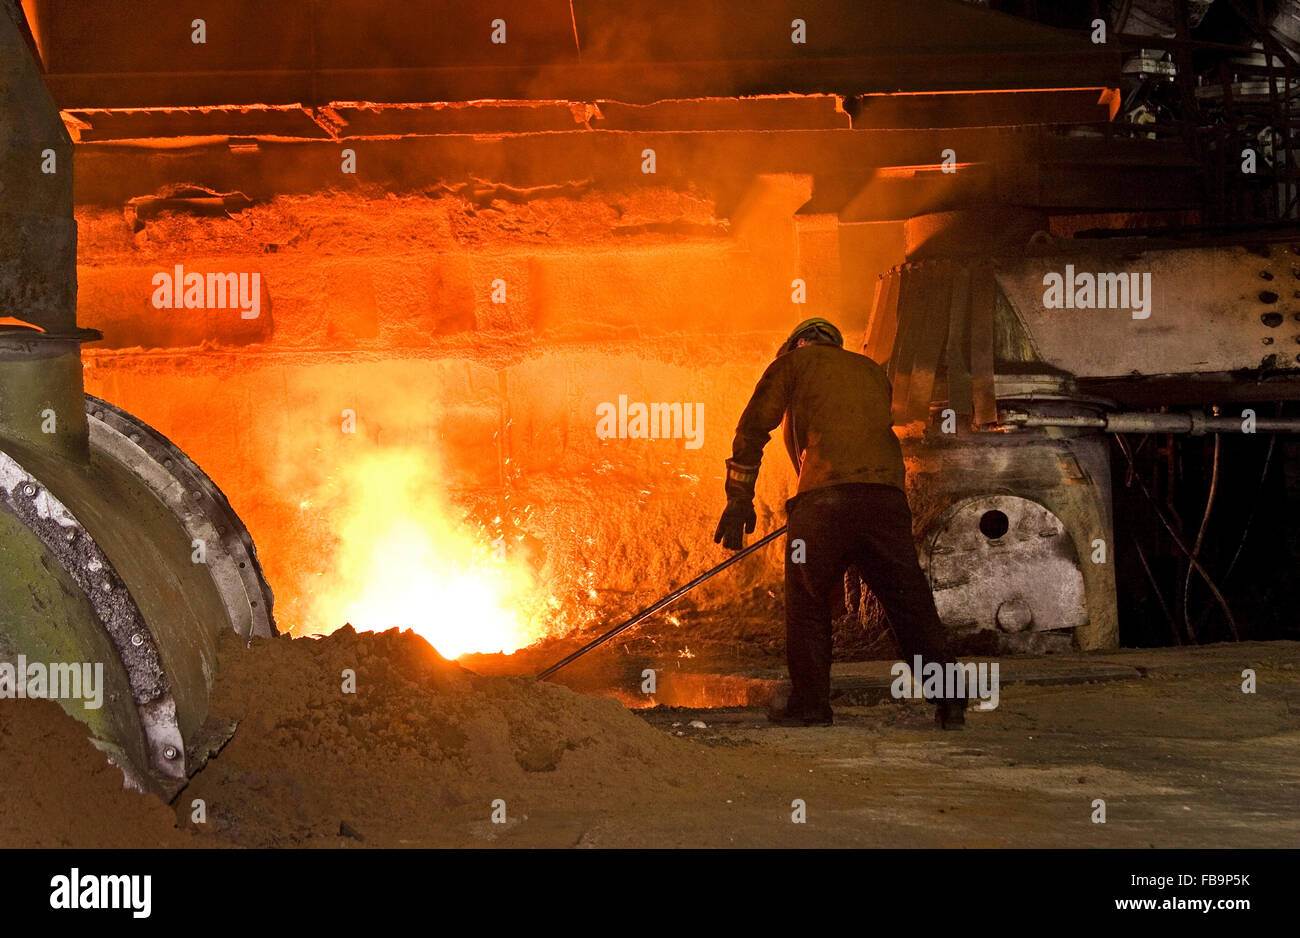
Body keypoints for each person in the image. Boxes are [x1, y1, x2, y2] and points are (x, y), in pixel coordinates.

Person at [714, 317, 967, 728]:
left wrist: (739, 499)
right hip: (886, 500)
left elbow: (752, 428)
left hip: (825, 501)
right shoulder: (870, 371)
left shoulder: (793, 363)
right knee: (909, 603)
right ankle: (951, 701)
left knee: (808, 600)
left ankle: (810, 705)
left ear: (797, 343)